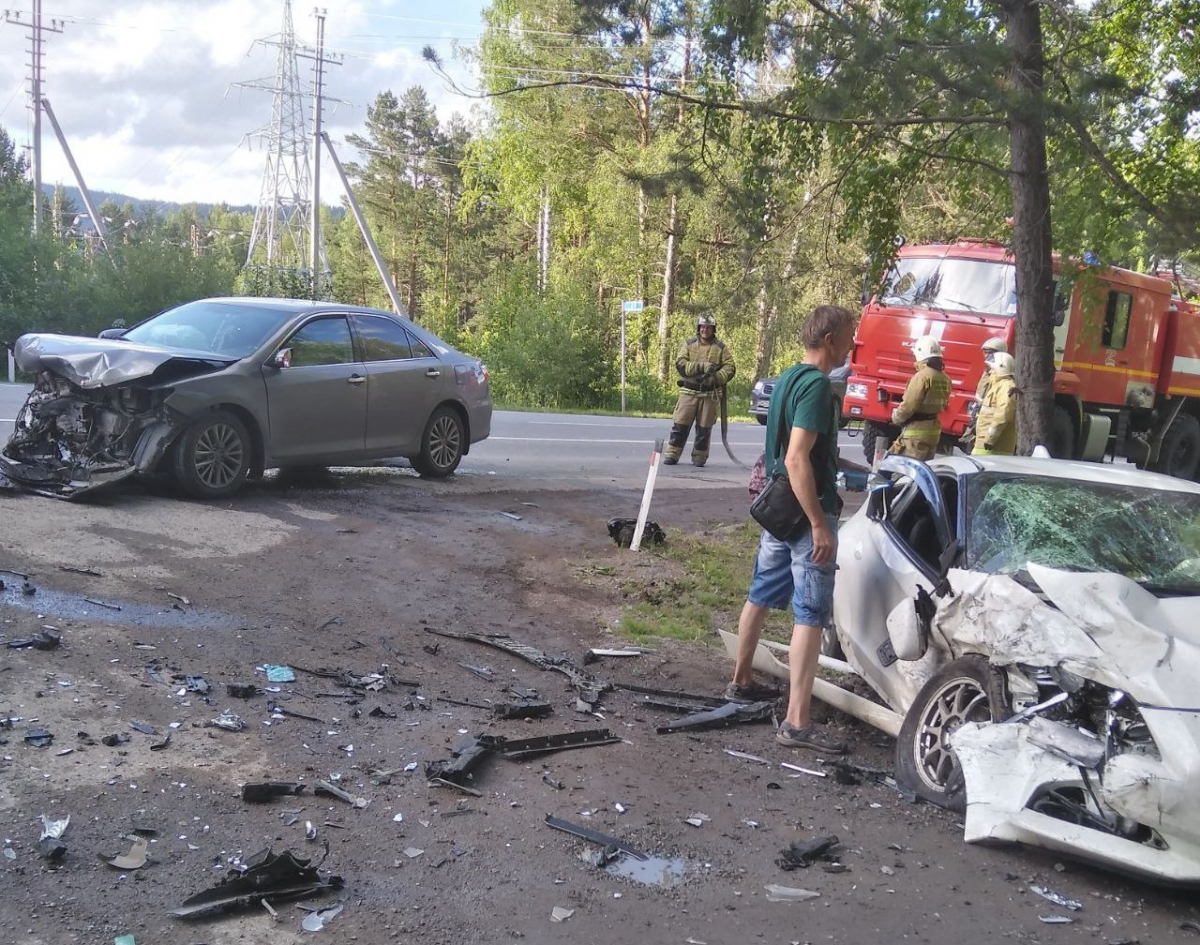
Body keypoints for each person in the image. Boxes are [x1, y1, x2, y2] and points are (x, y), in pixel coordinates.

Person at [727, 304, 858, 753]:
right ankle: (797, 722)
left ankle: (741, 680)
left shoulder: (787, 378)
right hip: (806, 513)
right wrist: (820, 525)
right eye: (849, 337)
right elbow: (796, 458)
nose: (852, 346)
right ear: (829, 341)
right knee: (810, 613)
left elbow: (801, 452)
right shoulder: (819, 387)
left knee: (761, 593)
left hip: (779, 511)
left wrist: (854, 468)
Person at [664, 316, 736, 466]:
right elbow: (680, 364)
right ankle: (672, 454)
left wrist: (715, 377)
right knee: (680, 425)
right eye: (703, 327)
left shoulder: (721, 348)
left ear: (713, 329)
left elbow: (730, 368)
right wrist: (702, 366)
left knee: (704, 428)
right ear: (698, 328)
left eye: (709, 327)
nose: (705, 330)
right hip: (689, 393)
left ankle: (699, 457)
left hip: (709, 395)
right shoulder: (689, 345)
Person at [889, 335, 951, 460]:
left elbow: (909, 405)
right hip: (932, 431)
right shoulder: (945, 378)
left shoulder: (922, 377)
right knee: (924, 471)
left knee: (906, 474)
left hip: (915, 433)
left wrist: (897, 417)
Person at [972, 351, 1018, 455]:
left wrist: (990, 439)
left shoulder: (1006, 387)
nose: (990, 371)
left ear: (1001, 368)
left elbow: (1003, 415)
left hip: (993, 447)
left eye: (993, 368)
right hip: (986, 443)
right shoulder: (998, 385)